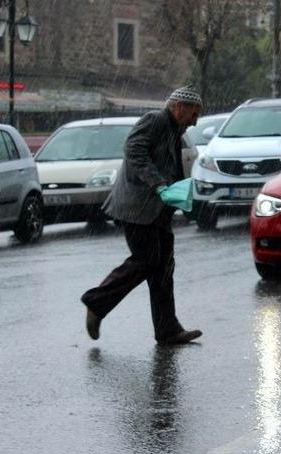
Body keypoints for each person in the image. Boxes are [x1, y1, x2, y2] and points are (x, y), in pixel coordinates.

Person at [81, 87, 203, 345]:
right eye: (194, 113)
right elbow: (134, 152)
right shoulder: (155, 120)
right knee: (147, 261)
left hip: (156, 211)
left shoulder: (174, 130)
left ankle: (168, 329)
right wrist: (158, 184)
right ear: (178, 106)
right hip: (137, 209)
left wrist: (178, 194)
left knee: (163, 268)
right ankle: (96, 302)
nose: (196, 121)